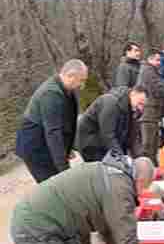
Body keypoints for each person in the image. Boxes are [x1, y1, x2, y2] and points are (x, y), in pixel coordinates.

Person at [9, 153, 155, 244]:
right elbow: (127, 237)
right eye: (144, 188)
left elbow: (109, 229)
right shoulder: (120, 187)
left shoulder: (111, 172)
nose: (141, 193)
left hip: (36, 219)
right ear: (140, 180)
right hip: (37, 228)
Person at [15, 60, 87, 183]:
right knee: (56, 185)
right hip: (35, 147)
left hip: (47, 143)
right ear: (70, 75)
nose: (82, 85)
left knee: (63, 182)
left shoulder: (67, 91)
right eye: (81, 80)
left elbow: (69, 122)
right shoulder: (50, 94)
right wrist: (64, 168)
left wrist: (67, 148)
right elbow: (53, 132)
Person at [75, 86, 147, 162]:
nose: (141, 108)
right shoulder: (111, 103)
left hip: (105, 145)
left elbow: (132, 137)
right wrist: (121, 158)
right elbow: (108, 134)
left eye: (143, 105)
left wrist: (140, 159)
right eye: (140, 103)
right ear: (133, 94)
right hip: (91, 144)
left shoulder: (131, 108)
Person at [136, 50, 164, 165]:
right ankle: (145, 169)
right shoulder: (148, 71)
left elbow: (161, 86)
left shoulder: (152, 71)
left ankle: (153, 168)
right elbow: (158, 90)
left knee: (155, 142)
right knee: (148, 144)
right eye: (157, 60)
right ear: (150, 59)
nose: (159, 63)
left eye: (160, 60)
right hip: (148, 112)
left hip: (154, 111)